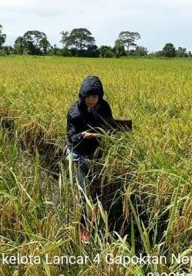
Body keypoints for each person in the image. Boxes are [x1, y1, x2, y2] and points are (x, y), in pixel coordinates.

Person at [65, 75, 113, 243]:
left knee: (95, 189)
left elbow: (109, 125)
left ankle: (98, 218)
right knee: (83, 192)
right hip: (78, 154)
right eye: (88, 97)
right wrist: (84, 135)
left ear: (100, 96)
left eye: (95, 96)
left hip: (95, 153)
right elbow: (71, 137)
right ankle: (83, 228)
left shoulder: (104, 107)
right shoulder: (75, 112)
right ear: (82, 95)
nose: (91, 100)